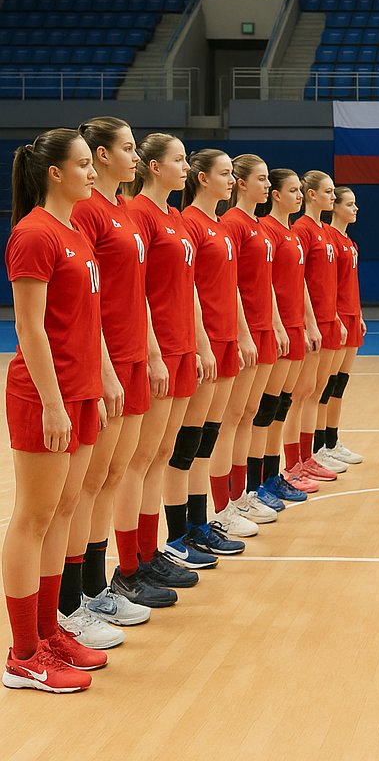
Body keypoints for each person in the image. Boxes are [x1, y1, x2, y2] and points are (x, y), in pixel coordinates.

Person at [3, 129, 114, 692]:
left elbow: (85, 323)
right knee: (34, 517)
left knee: (65, 509)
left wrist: (100, 381)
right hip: (45, 393)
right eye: (83, 165)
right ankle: (23, 654)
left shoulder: (75, 231)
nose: (92, 172)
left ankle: (48, 633)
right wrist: (52, 402)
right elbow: (28, 327)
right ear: (55, 173)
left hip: (82, 389)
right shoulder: (33, 234)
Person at [60, 118, 153, 641]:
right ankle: (75, 599)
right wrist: (105, 366)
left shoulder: (120, 210)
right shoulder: (86, 212)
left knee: (112, 477)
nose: (134, 156)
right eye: (127, 148)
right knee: (89, 483)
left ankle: (97, 588)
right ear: (99, 155)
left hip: (133, 355)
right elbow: (87, 300)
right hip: (104, 362)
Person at [112, 134, 208, 603]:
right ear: (153, 166)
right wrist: (153, 351)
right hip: (157, 348)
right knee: (138, 460)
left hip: (182, 346)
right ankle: (128, 566)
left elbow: (186, 288)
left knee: (159, 454)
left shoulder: (173, 217)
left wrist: (199, 343)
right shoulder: (138, 215)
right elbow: (137, 292)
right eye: (178, 160)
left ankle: (147, 556)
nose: (186, 167)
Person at [170, 150, 254, 561]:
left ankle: (199, 523)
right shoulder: (189, 223)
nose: (230, 180)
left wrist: (238, 335)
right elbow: (187, 290)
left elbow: (231, 288)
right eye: (224, 174)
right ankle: (179, 532)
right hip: (200, 343)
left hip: (223, 341)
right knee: (187, 443)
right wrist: (203, 341)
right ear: (202, 179)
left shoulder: (219, 226)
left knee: (207, 438)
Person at [215, 154, 289, 522]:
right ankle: (223, 504)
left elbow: (266, 284)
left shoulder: (256, 225)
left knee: (248, 414)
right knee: (232, 418)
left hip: (262, 329)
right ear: (242, 184)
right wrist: (244, 332)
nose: (266, 185)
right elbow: (232, 286)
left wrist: (274, 324)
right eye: (260, 179)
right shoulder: (232, 223)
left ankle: (243, 493)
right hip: (242, 332)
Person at [257, 169, 321, 503]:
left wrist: (307, 322)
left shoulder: (291, 233)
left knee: (286, 402)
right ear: (276, 196)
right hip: (275, 329)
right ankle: (279, 473)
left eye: (300, 190)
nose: (298, 195)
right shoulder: (267, 229)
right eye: (292, 190)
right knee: (270, 408)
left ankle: (282, 471)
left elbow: (301, 284)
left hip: (294, 325)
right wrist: (277, 322)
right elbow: (262, 284)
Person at [285, 171, 347, 486]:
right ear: (311, 195)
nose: (333, 197)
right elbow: (301, 281)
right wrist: (311, 321)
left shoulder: (323, 230)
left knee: (314, 391)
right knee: (300, 394)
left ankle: (308, 457)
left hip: (326, 320)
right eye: (328, 191)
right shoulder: (302, 229)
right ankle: (293, 463)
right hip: (311, 323)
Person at [317, 186, 365, 470]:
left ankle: (332, 442)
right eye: (350, 204)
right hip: (335, 319)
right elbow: (327, 284)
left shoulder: (349, 242)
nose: (355, 208)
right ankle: (320, 446)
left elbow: (350, 284)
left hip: (351, 317)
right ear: (335, 207)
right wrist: (334, 315)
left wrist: (358, 314)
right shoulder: (329, 239)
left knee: (339, 385)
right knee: (325, 386)